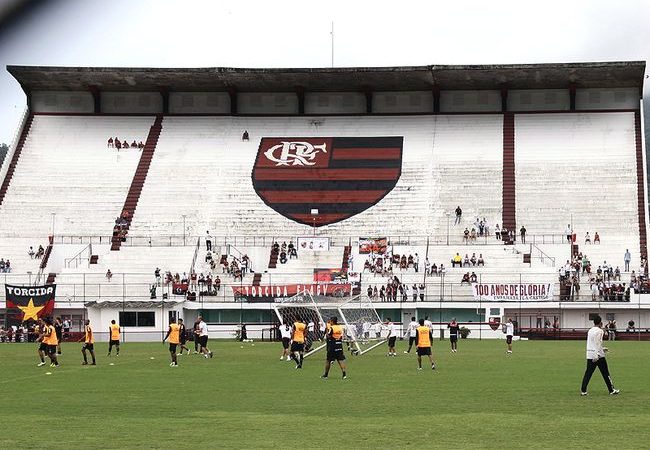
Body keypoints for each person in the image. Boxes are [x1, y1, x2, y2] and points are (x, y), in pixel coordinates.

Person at [580, 315, 619, 396]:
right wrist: (598, 354)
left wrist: (602, 349)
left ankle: (583, 391)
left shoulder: (590, 330)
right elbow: (598, 342)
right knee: (605, 373)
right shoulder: (600, 331)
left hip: (590, 354)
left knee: (588, 373)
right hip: (598, 356)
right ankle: (611, 390)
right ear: (600, 322)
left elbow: (592, 343)